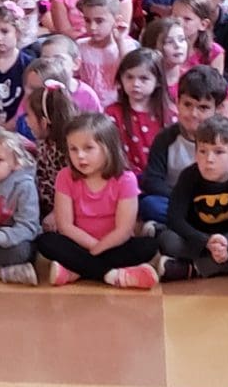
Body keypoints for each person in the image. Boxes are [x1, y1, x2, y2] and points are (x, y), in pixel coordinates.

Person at [33, 111, 158, 288]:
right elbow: (65, 226)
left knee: (149, 246)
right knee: (46, 242)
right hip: (78, 244)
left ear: (107, 148)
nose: (80, 156)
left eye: (88, 148)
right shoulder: (65, 176)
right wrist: (93, 246)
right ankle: (113, 275)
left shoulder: (125, 179)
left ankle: (76, 270)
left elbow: (124, 229)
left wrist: (99, 248)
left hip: (113, 245)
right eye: (73, 149)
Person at [157, 116, 228, 280]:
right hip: (198, 240)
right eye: (202, 151)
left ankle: (195, 269)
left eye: (218, 152)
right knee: (168, 240)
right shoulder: (188, 176)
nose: (209, 159)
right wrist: (206, 242)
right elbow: (175, 219)